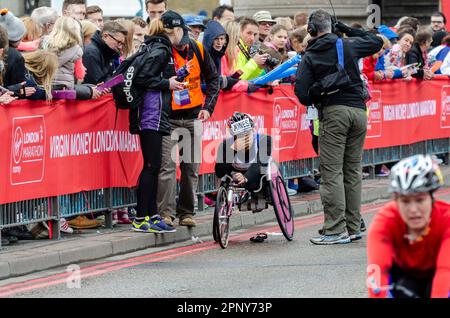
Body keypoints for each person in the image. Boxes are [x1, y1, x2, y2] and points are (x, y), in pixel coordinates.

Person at [294, 9, 383, 245]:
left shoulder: (310, 55)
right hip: (358, 112)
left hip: (334, 113)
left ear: (311, 30)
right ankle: (353, 227)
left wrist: (316, 91)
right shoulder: (348, 45)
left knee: (332, 172)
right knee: (352, 171)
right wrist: (344, 28)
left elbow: (302, 94)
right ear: (331, 28)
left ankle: (335, 229)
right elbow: (376, 41)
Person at [157, 10, 219, 228]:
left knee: (191, 168)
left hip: (193, 118)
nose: (183, 46)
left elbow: (214, 79)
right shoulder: (162, 51)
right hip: (168, 118)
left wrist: (208, 108)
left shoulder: (198, 48)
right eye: (179, 44)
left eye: (185, 41)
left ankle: (186, 213)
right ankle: (166, 214)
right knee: (168, 167)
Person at [129, 14, 187, 234]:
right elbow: (142, 78)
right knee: (151, 167)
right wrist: (168, 83)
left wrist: (173, 79)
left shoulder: (159, 47)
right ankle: (141, 218)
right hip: (149, 115)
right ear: (177, 30)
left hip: (156, 114)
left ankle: (151, 215)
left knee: (154, 166)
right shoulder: (161, 49)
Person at [367, 154, 450, 298]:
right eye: (405, 201)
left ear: (431, 198)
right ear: (396, 201)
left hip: (440, 274)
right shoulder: (385, 221)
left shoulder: (446, 219)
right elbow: (378, 272)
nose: (413, 209)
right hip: (405, 278)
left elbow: (445, 271)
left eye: (419, 200)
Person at [215, 112, 272, 192]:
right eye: (239, 135)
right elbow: (219, 173)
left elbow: (260, 164)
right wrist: (233, 150)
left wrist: (246, 177)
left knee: (269, 169)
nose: (244, 138)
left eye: (247, 133)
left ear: (252, 130)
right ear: (234, 135)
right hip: (235, 173)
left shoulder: (265, 141)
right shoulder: (225, 145)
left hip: (257, 174)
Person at [43, 16, 84, 90]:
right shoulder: (77, 49)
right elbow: (80, 75)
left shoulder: (45, 44)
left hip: (47, 85)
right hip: (66, 88)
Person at [83, 21, 127, 85]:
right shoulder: (91, 52)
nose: (120, 47)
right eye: (118, 42)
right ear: (105, 36)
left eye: (122, 44)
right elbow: (97, 82)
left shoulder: (108, 51)